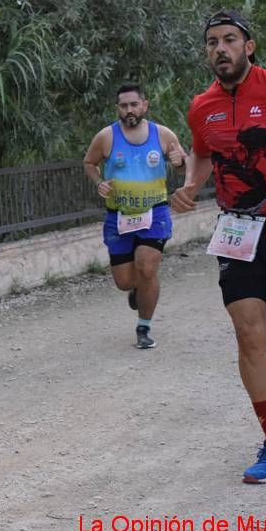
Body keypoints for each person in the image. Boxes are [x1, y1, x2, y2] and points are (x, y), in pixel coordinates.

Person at [172, 11, 266, 484]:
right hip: (237, 229)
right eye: (212, 42)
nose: (221, 48)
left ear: (248, 46)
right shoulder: (202, 105)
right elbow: (201, 150)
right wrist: (191, 182)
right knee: (248, 331)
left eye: (229, 40)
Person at [83, 83, 187, 348]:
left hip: (155, 213)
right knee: (125, 281)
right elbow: (89, 163)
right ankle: (137, 289)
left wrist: (179, 162)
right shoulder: (106, 136)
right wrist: (98, 183)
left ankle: (144, 327)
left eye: (133, 104)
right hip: (119, 216)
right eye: (123, 106)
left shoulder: (162, 134)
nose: (129, 110)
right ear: (118, 108)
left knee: (147, 267)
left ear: (144, 105)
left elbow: (183, 162)